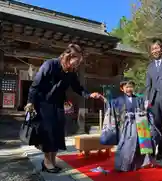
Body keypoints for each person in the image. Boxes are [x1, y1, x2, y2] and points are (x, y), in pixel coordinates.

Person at [24, 44, 103, 173]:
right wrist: (30, 102)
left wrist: (89, 95)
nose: (77, 64)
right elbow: (35, 84)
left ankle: (53, 161)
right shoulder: (50, 64)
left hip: (58, 104)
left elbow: (78, 88)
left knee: (57, 133)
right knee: (48, 133)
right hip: (43, 103)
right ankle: (47, 162)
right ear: (69, 56)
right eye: (77, 61)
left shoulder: (71, 72)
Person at [112, 79, 156, 172]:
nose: (129, 89)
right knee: (126, 145)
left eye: (131, 87)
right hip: (126, 126)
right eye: (127, 87)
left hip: (139, 124)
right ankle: (124, 165)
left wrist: (143, 111)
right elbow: (115, 113)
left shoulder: (138, 99)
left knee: (139, 145)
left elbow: (143, 110)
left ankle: (140, 164)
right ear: (122, 89)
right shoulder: (118, 100)